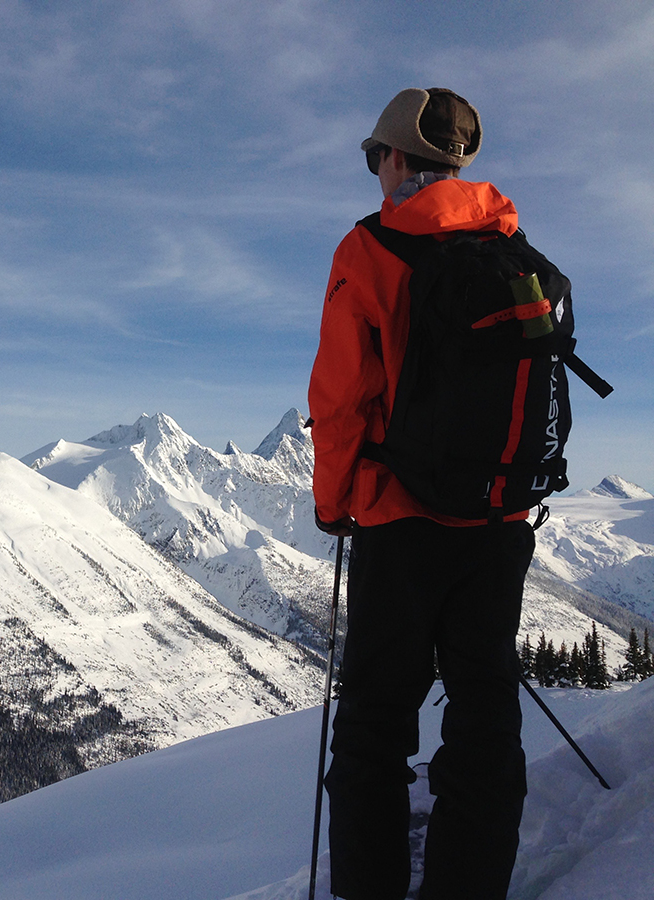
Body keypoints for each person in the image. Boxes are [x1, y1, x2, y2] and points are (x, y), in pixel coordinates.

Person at [307, 88, 536, 900]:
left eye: (377, 156)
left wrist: (333, 503)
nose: (376, 171)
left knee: (373, 723)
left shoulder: (371, 251)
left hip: (401, 520)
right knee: (485, 712)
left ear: (399, 159)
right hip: (501, 520)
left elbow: (340, 402)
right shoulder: (515, 247)